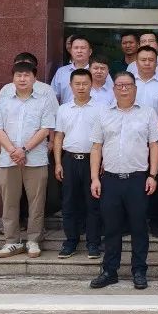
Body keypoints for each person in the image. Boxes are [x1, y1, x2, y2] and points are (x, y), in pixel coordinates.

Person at [88, 71, 158, 290]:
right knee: (111, 228)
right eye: (119, 85)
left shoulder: (147, 113)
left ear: (135, 89)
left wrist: (153, 175)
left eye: (128, 85)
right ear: (114, 89)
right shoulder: (103, 113)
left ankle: (139, 270)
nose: (124, 89)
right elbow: (96, 147)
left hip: (137, 179)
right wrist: (94, 178)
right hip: (110, 179)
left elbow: (154, 145)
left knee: (139, 227)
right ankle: (110, 271)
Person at [0, 62, 55, 259]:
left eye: (26, 75)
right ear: (13, 79)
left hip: (36, 160)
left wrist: (24, 149)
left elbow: (45, 129)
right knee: (9, 202)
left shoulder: (44, 101)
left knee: (37, 202)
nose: (22, 79)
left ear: (34, 78)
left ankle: (33, 240)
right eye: (18, 75)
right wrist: (13, 151)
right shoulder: (3, 102)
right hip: (9, 160)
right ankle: (11, 241)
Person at [53, 67, 102, 260]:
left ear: (91, 85)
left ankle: (93, 243)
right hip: (70, 160)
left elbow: (105, 139)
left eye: (85, 83)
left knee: (93, 203)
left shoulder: (101, 108)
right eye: (77, 84)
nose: (81, 87)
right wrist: (58, 163)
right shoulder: (63, 109)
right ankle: (70, 241)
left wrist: (103, 163)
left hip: (92, 161)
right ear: (71, 85)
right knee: (69, 203)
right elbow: (58, 137)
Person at [133, 46, 158, 240]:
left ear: (157, 63)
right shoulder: (129, 83)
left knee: (157, 181)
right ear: (136, 62)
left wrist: (154, 131)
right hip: (133, 141)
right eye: (143, 59)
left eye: (151, 60)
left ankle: (156, 222)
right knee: (135, 181)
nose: (147, 63)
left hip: (157, 140)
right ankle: (133, 222)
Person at [53, 36, 112, 105]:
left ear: (90, 52)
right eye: (76, 48)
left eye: (83, 48)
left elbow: (111, 94)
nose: (79, 51)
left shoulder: (99, 73)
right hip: (67, 111)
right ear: (71, 51)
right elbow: (53, 97)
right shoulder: (61, 72)